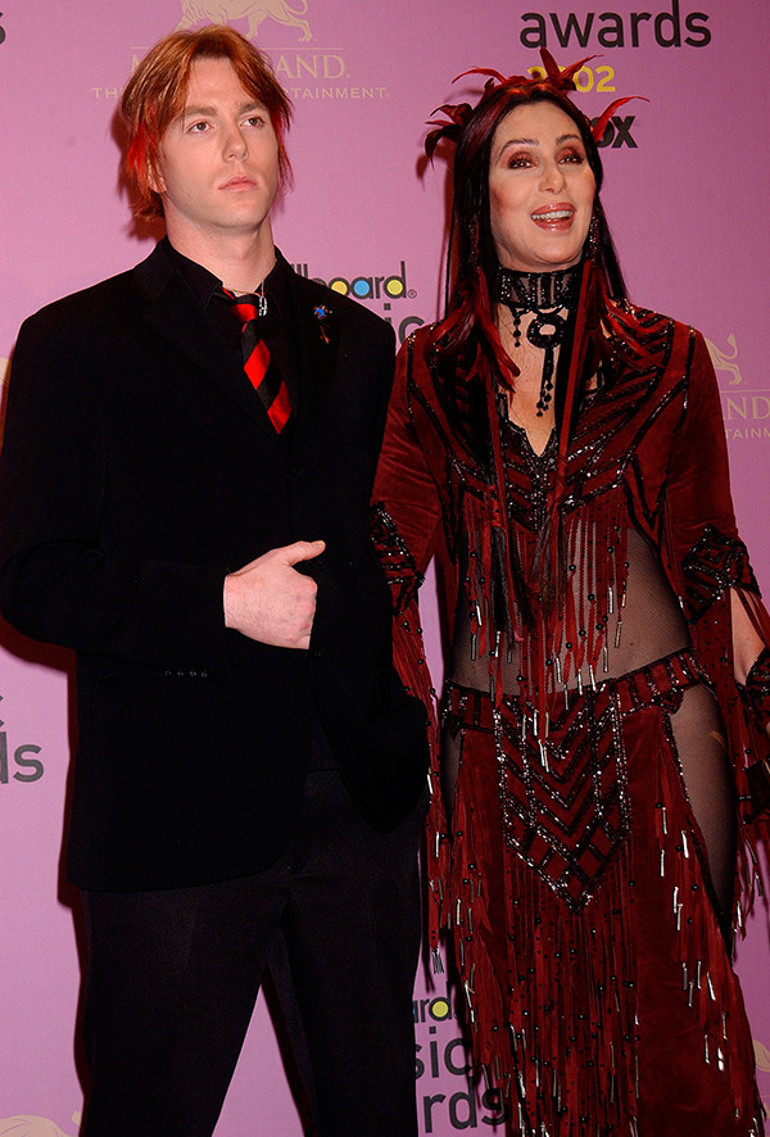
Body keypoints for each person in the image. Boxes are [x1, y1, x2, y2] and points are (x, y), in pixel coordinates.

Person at [0, 26, 428, 1137]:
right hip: (172, 817)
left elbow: (389, 552)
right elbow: (33, 576)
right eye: (199, 122)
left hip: (357, 810)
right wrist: (221, 604)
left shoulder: (361, 341)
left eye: (251, 118)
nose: (235, 143)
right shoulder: (73, 343)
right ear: (149, 161)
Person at [371, 49, 770, 1135]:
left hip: (659, 741)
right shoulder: (428, 373)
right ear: (478, 196)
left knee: (683, 1075)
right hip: (493, 765)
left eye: (571, 157)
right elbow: (388, 559)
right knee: (551, 1087)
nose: (553, 181)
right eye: (520, 160)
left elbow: (707, 556)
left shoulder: (669, 356)